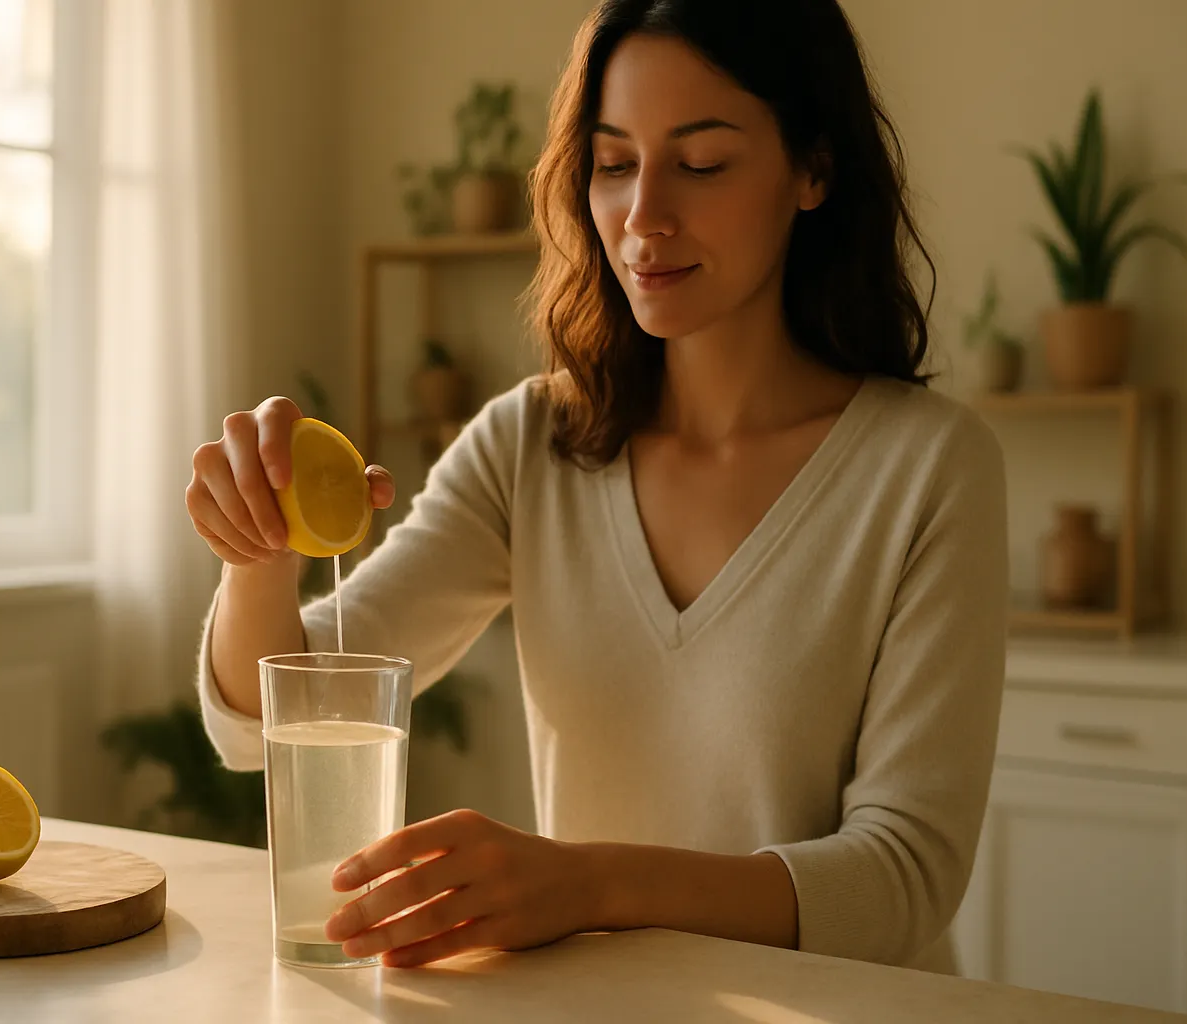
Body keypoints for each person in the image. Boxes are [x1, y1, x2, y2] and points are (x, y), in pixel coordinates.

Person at [185, 0, 1007, 974]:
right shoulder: (530, 443)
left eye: (700, 163)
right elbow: (260, 724)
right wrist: (257, 562)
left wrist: (587, 885)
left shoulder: (928, 466)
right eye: (614, 163)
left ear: (813, 170)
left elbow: (903, 878)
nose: (643, 215)